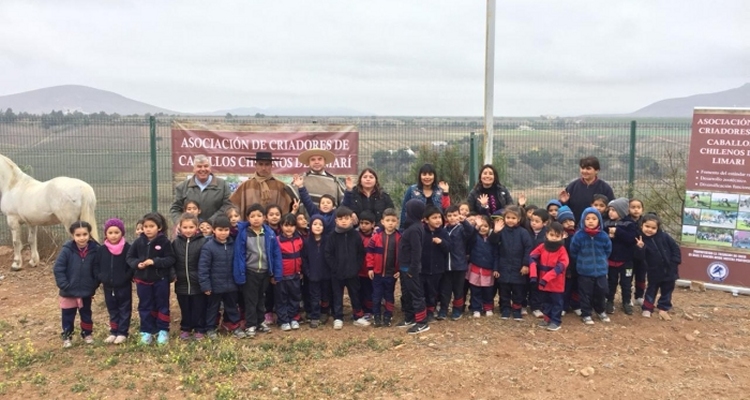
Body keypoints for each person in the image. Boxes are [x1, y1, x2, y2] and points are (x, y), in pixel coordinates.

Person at [126, 212, 176, 346]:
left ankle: (162, 330)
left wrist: (154, 262)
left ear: (159, 228)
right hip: (142, 280)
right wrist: (137, 264)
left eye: (151, 226)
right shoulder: (138, 242)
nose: (147, 229)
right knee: (145, 305)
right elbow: (129, 257)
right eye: (145, 226)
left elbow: (170, 259)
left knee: (162, 305)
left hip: (160, 280)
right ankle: (146, 331)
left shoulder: (164, 242)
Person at [233, 204, 282, 338]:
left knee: (261, 298)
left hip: (265, 272)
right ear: (248, 218)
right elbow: (240, 255)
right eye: (252, 216)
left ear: (264, 218)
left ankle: (261, 321)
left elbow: (276, 254)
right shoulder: (243, 234)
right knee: (250, 300)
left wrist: (276, 274)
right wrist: (240, 275)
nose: (256, 219)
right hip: (250, 272)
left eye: (259, 216)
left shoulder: (269, 233)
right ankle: (251, 325)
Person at [54, 221, 100, 348]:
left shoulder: (95, 250)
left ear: (89, 234)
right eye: (78, 235)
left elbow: (97, 269)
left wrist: (93, 284)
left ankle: (87, 334)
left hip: (86, 290)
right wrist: (64, 285)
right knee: (68, 314)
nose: (82, 238)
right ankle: (67, 336)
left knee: (86, 313)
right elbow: (59, 268)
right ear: (72, 236)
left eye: (85, 234)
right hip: (68, 291)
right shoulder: (67, 250)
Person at [199, 215, 245, 339]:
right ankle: (210, 328)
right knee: (213, 308)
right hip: (214, 286)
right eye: (220, 230)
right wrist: (205, 285)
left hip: (231, 284)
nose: (223, 233)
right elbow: (203, 268)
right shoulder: (208, 247)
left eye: (226, 230)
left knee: (232, 307)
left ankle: (233, 325)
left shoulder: (234, 245)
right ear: (213, 230)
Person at [325, 206, 370, 329]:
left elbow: (361, 253)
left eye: (346, 218)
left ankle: (358, 316)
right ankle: (338, 317)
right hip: (337, 273)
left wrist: (356, 266)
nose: (343, 221)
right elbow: (328, 254)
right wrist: (335, 267)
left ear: (351, 219)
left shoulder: (355, 236)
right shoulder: (332, 236)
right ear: (336, 221)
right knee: (337, 295)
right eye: (340, 219)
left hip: (352, 272)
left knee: (355, 294)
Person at [569, 207, 612, 325]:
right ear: (583, 220)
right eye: (588, 218)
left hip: (601, 271)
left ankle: (600, 310)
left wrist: (602, 261)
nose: (591, 221)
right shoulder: (579, 236)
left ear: (599, 221)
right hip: (584, 271)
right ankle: (586, 314)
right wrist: (582, 262)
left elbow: (608, 250)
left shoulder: (603, 236)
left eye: (594, 218)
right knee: (585, 293)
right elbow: (574, 251)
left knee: (601, 291)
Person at [635, 214, 681, 320]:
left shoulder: (664, 236)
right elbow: (640, 258)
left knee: (667, 289)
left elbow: (675, 248)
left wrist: (675, 261)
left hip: (670, 269)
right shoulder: (641, 240)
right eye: (647, 226)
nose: (649, 230)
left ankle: (663, 307)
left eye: (653, 228)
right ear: (642, 225)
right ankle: (647, 307)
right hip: (653, 270)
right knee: (651, 289)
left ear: (658, 228)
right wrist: (640, 248)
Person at [491, 206, 533, 321]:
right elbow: (493, 245)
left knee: (518, 291)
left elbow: (528, 249)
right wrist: (495, 232)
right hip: (503, 266)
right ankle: (505, 309)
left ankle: (516, 310)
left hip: (518, 268)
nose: (510, 220)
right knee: (504, 291)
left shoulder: (523, 233)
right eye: (508, 217)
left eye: (513, 218)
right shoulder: (501, 231)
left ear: (518, 219)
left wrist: (525, 264)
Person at [94, 218, 133, 345]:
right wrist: (101, 277)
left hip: (123, 286)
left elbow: (131, 265)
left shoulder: (128, 248)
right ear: (106, 234)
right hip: (108, 286)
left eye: (117, 232)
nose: (113, 235)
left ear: (122, 233)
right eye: (110, 233)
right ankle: (113, 331)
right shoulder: (101, 250)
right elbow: (96, 266)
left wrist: (125, 277)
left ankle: (122, 332)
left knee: (124, 309)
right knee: (112, 309)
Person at [172, 213, 208, 341]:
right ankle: (186, 328)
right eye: (185, 227)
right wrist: (173, 274)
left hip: (198, 282)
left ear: (197, 227)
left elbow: (206, 262)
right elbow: (172, 261)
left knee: (199, 306)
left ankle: (199, 328)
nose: (188, 230)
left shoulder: (203, 242)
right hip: (181, 282)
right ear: (180, 228)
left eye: (191, 227)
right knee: (184, 307)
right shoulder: (175, 243)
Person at [170, 155, 233, 225]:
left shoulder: (223, 185)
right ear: (193, 169)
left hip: (215, 229)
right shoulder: (182, 187)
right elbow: (175, 209)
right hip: (190, 231)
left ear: (210, 168)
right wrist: (180, 223)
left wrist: (210, 222)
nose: (203, 169)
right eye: (199, 166)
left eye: (206, 166)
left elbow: (227, 206)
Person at [398, 199, 430, 334]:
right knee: (408, 294)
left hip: (410, 269)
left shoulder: (415, 229)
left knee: (416, 295)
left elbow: (417, 251)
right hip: (404, 267)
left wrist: (412, 269)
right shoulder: (412, 226)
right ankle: (410, 317)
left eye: (407, 210)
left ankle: (422, 322)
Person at [529, 222, 569, 331]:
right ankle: (547, 318)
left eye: (557, 236)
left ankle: (556, 321)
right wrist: (533, 274)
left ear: (562, 236)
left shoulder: (562, 250)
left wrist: (547, 277)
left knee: (556, 302)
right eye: (552, 235)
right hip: (543, 282)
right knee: (545, 301)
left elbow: (562, 265)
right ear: (546, 234)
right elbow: (532, 257)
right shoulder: (542, 247)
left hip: (556, 282)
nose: (554, 238)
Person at [230, 151, 297, 215]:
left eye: (267, 164)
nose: (263, 168)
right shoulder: (245, 186)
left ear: (271, 165)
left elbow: (288, 207)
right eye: (260, 164)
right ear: (255, 165)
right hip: (250, 226)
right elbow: (232, 205)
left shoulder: (280, 186)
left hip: (273, 226)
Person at [366, 208, 401, 327]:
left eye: (393, 220)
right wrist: (370, 267)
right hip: (377, 273)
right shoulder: (376, 236)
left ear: (397, 222)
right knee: (376, 295)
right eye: (388, 220)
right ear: (382, 221)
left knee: (389, 295)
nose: (390, 223)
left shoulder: (399, 237)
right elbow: (369, 252)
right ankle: (376, 316)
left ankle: (388, 315)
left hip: (391, 274)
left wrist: (399, 270)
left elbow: (402, 256)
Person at [603, 198, 638, 315]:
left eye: (614, 210)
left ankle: (626, 301)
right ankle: (609, 301)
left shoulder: (630, 224)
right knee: (611, 282)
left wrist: (617, 232)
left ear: (622, 211)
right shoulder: (606, 223)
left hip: (626, 261)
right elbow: (602, 238)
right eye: (610, 210)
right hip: (611, 260)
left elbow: (631, 239)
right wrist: (608, 236)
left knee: (626, 283)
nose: (610, 212)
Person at [559, 156, 615, 224]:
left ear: (597, 171)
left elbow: (611, 209)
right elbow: (565, 209)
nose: (584, 171)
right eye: (582, 168)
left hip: (599, 228)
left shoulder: (605, 188)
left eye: (588, 169)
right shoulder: (572, 187)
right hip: (576, 228)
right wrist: (564, 202)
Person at [440, 205, 473, 321]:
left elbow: (471, 232)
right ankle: (443, 310)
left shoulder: (462, 229)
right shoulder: (443, 230)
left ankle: (457, 310)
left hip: (459, 265)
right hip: (445, 266)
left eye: (455, 215)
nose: (452, 218)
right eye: (449, 216)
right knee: (445, 289)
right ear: (445, 217)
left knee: (458, 289)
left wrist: (464, 222)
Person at [302, 215, 332, 328]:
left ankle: (324, 312)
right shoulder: (307, 242)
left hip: (326, 274)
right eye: (315, 224)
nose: (318, 227)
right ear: (310, 226)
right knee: (314, 296)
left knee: (325, 295)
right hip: (313, 275)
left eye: (320, 224)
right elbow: (304, 259)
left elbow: (331, 257)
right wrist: (308, 273)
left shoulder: (328, 241)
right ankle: (315, 316)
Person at [420, 206, 450, 322]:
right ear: (426, 220)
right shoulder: (421, 232)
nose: (438, 220)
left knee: (433, 292)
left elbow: (448, 248)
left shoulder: (443, 232)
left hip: (437, 269)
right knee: (422, 291)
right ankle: (421, 312)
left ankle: (431, 311)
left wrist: (441, 242)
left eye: (439, 217)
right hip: (422, 268)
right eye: (434, 218)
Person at [399, 163, 450, 229]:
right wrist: (402, 229)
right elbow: (404, 210)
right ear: (420, 176)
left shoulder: (440, 190)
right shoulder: (412, 190)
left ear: (434, 176)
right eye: (424, 174)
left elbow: (446, 210)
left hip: (437, 230)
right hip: (416, 229)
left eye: (430, 174)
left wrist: (446, 193)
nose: (427, 177)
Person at [276, 214, 304, 331]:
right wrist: (275, 274)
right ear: (281, 226)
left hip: (295, 275)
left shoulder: (299, 239)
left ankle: (293, 318)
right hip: (282, 276)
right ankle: (283, 320)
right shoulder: (277, 241)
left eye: (292, 226)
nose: (289, 228)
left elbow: (302, 256)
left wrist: (301, 271)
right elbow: (275, 258)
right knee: (281, 298)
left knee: (295, 297)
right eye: (286, 225)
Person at [466, 215, 497, 318]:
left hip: (488, 269)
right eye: (480, 226)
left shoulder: (492, 240)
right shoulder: (475, 237)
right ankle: (476, 308)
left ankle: (488, 307)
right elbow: (470, 237)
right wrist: (476, 227)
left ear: (490, 227)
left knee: (488, 291)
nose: (483, 228)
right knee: (475, 290)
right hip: (475, 268)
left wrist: (496, 268)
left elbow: (497, 254)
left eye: (485, 226)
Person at [527, 209, 550, 318]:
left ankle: (536, 307)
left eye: (537, 221)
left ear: (544, 223)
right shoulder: (526, 231)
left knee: (537, 286)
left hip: (541, 266)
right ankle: (524, 304)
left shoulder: (547, 234)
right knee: (526, 285)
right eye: (532, 220)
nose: (533, 223)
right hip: (528, 264)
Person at [357, 211, 377, 318]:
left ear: (373, 224)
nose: (363, 226)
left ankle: (370, 310)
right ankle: (360, 310)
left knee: (370, 291)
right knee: (360, 291)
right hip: (359, 270)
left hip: (371, 271)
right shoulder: (356, 236)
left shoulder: (376, 236)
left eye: (366, 223)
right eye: (361, 223)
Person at [629, 198, 647, 306]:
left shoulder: (645, 222)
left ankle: (639, 296)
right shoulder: (626, 221)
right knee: (628, 278)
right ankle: (628, 297)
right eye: (633, 207)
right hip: (629, 255)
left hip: (642, 256)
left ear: (642, 209)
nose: (636, 210)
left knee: (641, 276)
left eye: (638, 207)